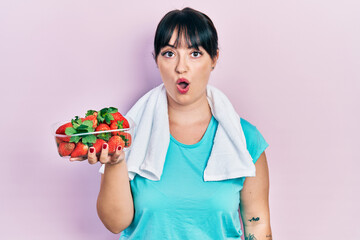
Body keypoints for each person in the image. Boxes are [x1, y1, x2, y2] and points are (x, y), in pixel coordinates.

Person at [71, 7, 272, 240]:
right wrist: (116, 163)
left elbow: (257, 225)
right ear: (156, 60)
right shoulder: (126, 136)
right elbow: (116, 224)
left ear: (214, 58)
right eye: (169, 53)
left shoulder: (245, 140)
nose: (181, 67)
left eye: (195, 53)